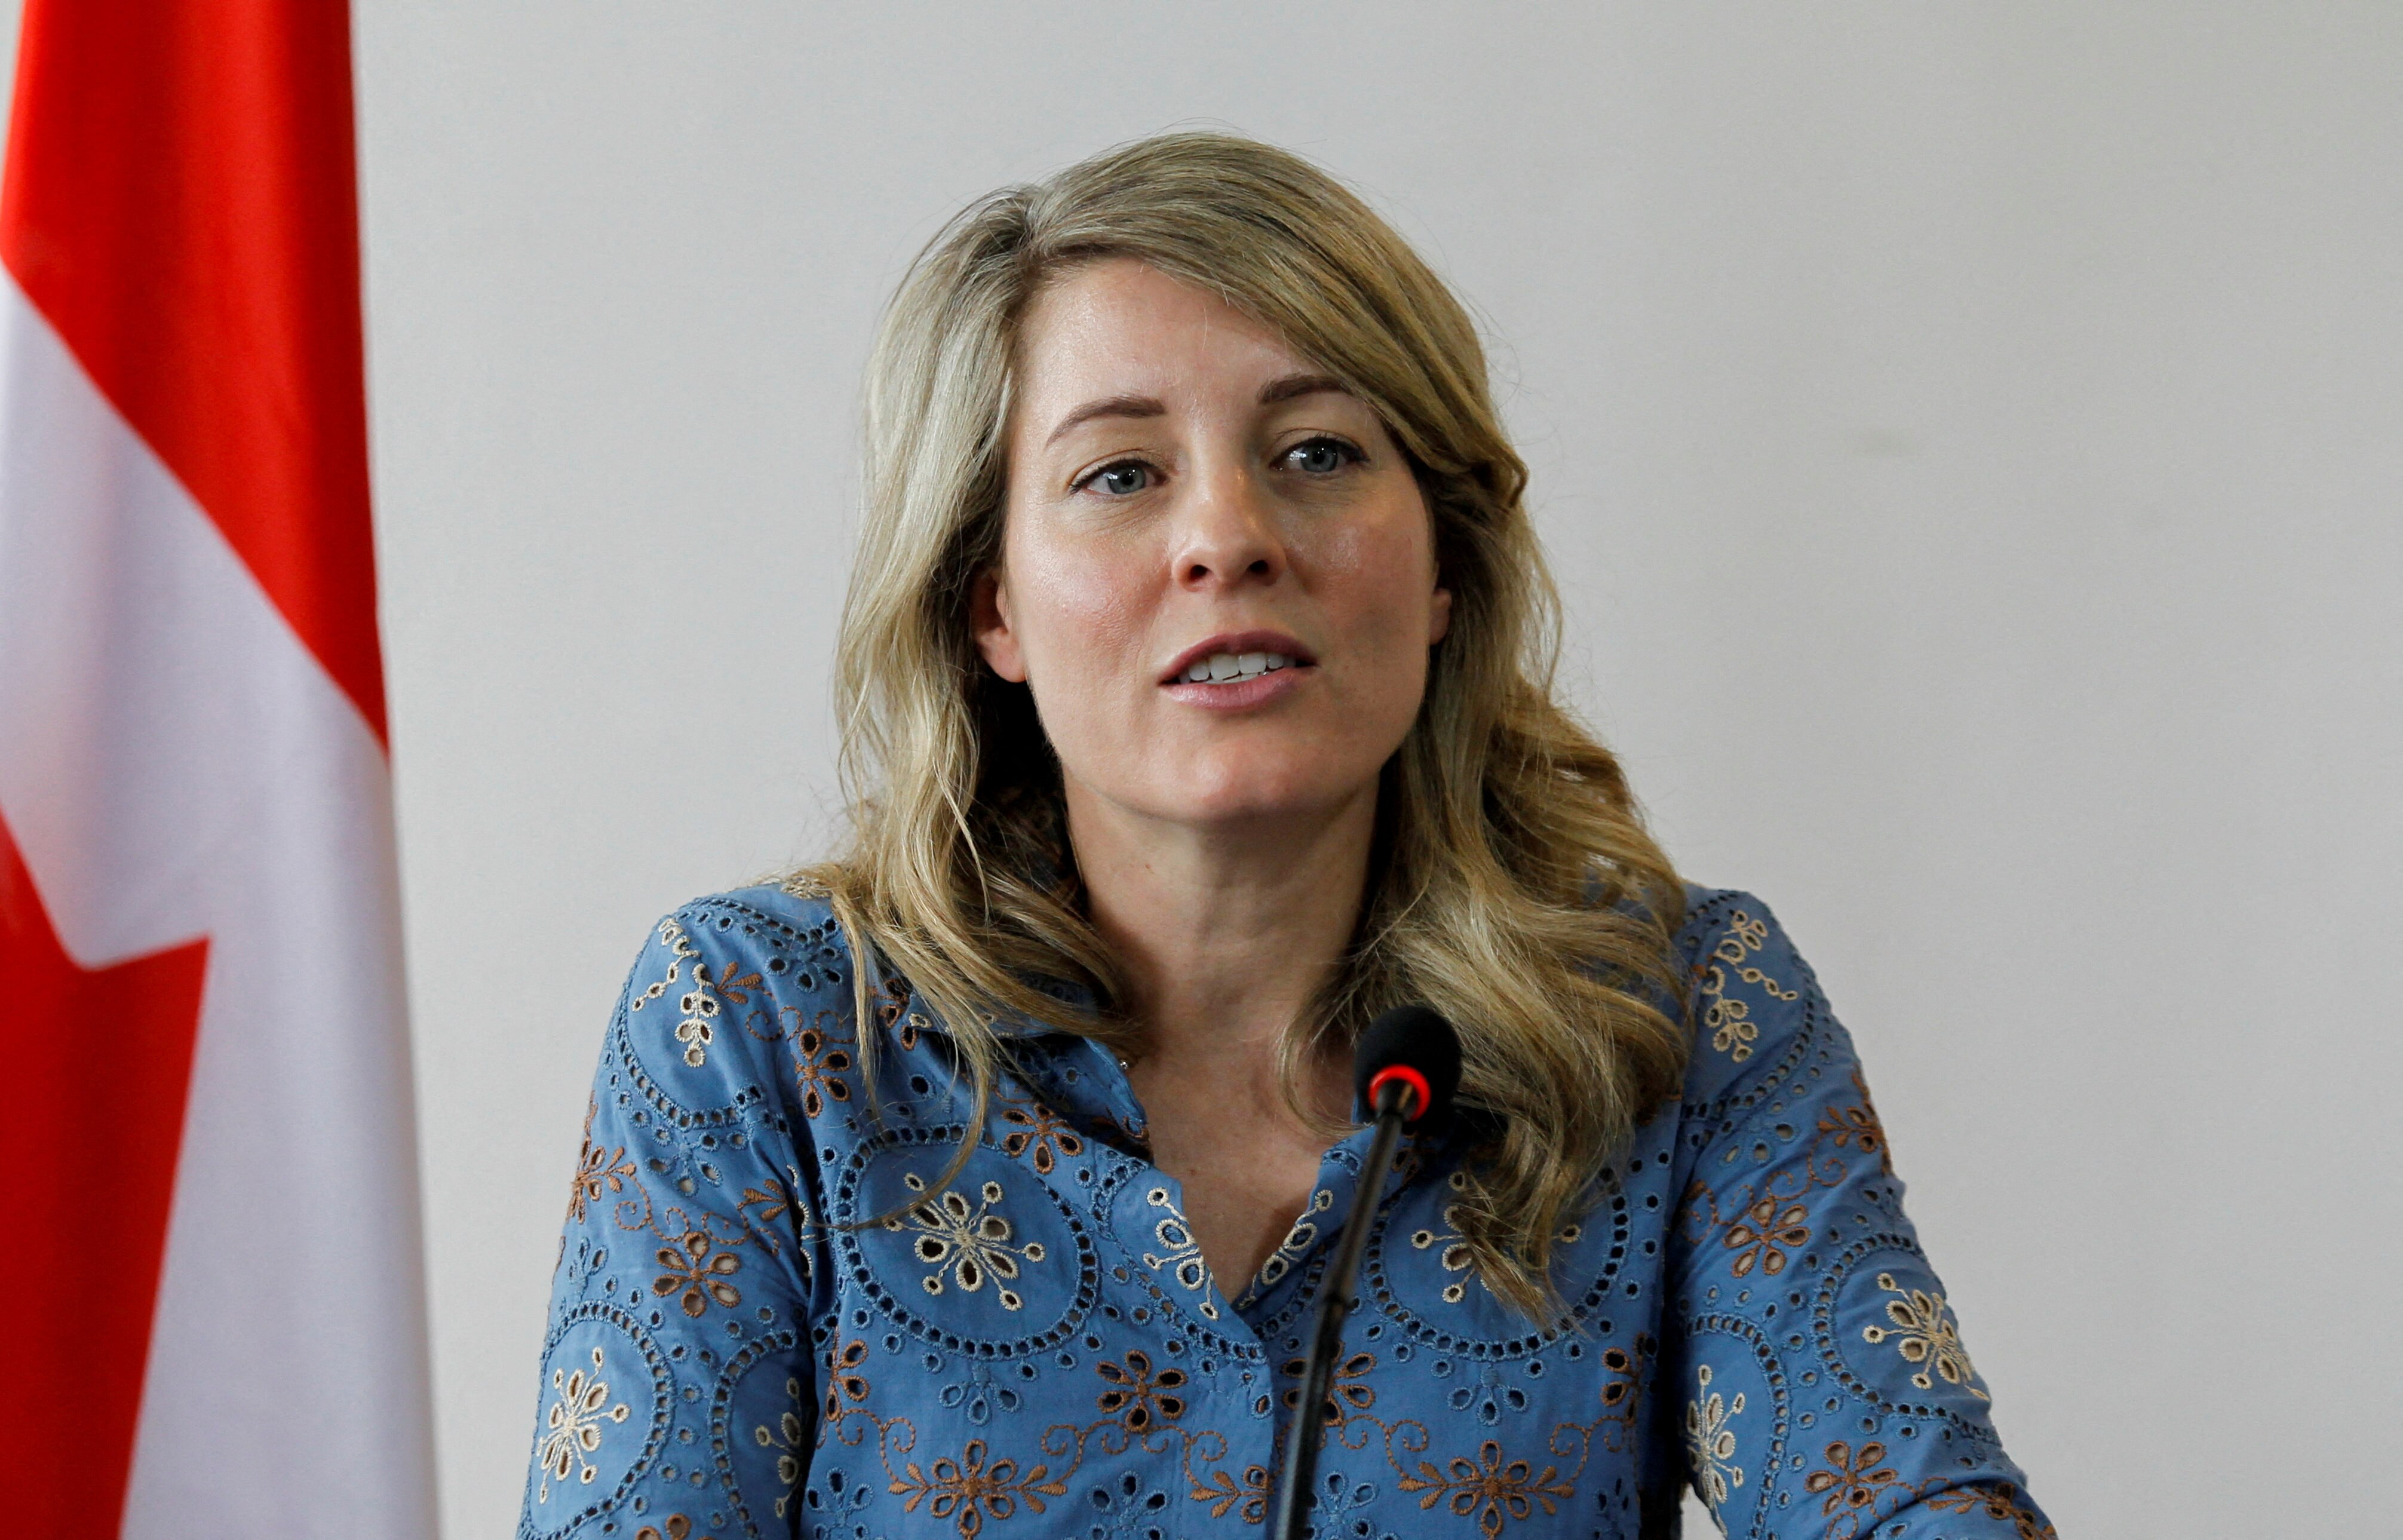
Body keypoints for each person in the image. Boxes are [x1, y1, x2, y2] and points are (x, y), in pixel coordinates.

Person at [517, 133, 2051, 1540]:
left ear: (1442, 565)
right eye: (1119, 473)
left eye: (1315, 450)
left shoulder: (1682, 1014)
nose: (1226, 535)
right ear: (991, 603)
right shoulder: (765, 1030)